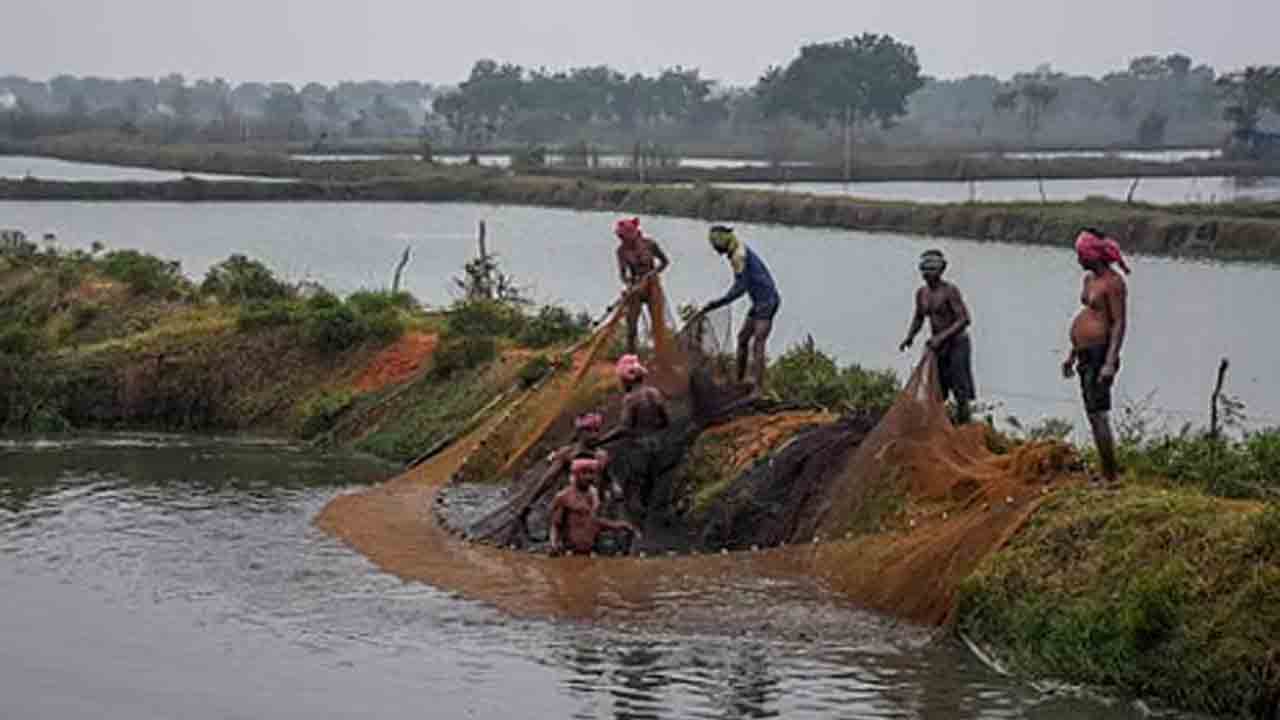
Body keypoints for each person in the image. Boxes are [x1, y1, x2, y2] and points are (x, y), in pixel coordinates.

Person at [1062, 228, 1130, 484]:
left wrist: (1111, 361)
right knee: (1092, 413)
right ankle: (1106, 471)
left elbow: (1118, 323)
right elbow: (1086, 319)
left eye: (1081, 255)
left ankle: (1110, 476)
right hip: (1085, 354)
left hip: (1101, 353)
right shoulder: (1089, 280)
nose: (1078, 260)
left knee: (1098, 413)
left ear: (1093, 256)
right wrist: (1072, 355)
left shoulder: (1114, 283)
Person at [697, 225, 781, 395]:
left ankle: (758, 388)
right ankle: (739, 380)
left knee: (758, 343)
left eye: (716, 246)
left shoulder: (739, 256)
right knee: (742, 339)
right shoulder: (737, 251)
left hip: (768, 302)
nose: (716, 250)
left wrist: (719, 302)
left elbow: (740, 288)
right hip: (757, 302)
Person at [899, 249, 976, 423]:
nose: (928, 274)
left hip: (957, 344)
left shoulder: (950, 291)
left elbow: (964, 319)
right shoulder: (922, 293)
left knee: (959, 387)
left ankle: (964, 424)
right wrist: (910, 337)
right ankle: (940, 423)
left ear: (941, 270)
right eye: (925, 270)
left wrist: (941, 337)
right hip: (939, 348)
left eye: (932, 269)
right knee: (938, 388)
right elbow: (919, 317)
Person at [548, 457, 640, 556]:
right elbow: (555, 525)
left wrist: (619, 525)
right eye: (584, 473)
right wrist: (553, 545)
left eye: (591, 473)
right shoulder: (563, 496)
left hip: (590, 553)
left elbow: (594, 522)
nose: (588, 476)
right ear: (575, 474)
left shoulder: (594, 494)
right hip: (568, 553)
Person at [614, 217, 670, 355]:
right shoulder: (621, 251)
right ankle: (631, 356)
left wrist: (652, 275)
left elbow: (665, 262)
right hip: (635, 288)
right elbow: (622, 274)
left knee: (658, 326)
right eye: (621, 237)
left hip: (653, 286)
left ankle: (661, 357)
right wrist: (629, 284)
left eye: (625, 237)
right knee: (631, 325)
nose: (623, 240)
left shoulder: (650, 244)